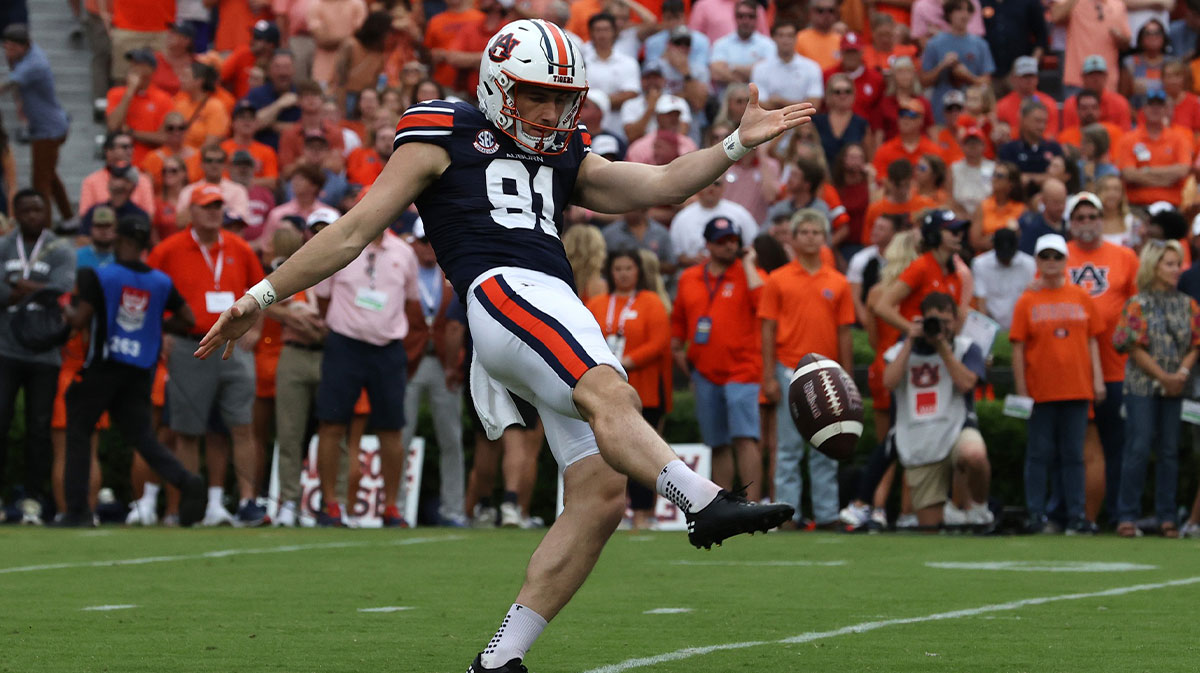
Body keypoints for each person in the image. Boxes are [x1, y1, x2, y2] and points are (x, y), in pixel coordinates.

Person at [198, 19, 805, 670]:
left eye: (560, 98)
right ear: (495, 85)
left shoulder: (563, 150)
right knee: (610, 391)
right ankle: (705, 501)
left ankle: (499, 658)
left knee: (599, 493)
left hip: (555, 301)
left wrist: (736, 144)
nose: (549, 111)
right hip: (501, 288)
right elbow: (352, 233)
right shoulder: (443, 131)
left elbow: (657, 184)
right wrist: (258, 297)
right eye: (536, 94)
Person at [58, 215, 206, 527]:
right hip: (140, 370)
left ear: (120, 239)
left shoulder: (101, 276)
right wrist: (156, 327)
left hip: (104, 365)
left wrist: (62, 310)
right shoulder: (160, 281)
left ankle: (77, 510)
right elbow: (188, 318)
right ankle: (185, 480)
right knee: (142, 437)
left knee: (79, 431)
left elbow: (80, 319)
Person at [148, 185, 267, 527]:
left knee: (241, 424)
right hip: (190, 344)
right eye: (206, 206)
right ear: (191, 212)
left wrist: (257, 330)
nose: (214, 212)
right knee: (187, 429)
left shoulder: (239, 247)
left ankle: (246, 501)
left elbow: (262, 290)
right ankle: (191, 501)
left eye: (218, 206)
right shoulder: (169, 249)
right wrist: (162, 334)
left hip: (232, 343)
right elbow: (151, 291)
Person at [311, 225, 419, 527]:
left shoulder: (404, 252)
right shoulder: (342, 245)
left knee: (391, 428)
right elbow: (322, 298)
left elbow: (412, 303)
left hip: (387, 348)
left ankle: (391, 507)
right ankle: (330, 503)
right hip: (345, 344)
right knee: (331, 423)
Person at [761, 210, 854, 529]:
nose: (811, 237)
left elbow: (845, 334)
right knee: (787, 449)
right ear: (794, 238)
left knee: (826, 446)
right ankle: (789, 514)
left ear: (825, 237)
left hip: (828, 375)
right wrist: (768, 375)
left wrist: (847, 378)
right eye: (805, 232)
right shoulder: (778, 279)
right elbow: (768, 330)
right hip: (789, 370)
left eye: (817, 232)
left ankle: (827, 515)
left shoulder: (838, 282)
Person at [1010, 233, 1105, 534]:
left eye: (1057, 257)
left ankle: (1076, 515)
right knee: (1039, 454)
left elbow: (1092, 341)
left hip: (1077, 387)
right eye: (1045, 257)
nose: (1051, 263)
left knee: (1073, 455)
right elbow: (1017, 348)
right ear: (1037, 261)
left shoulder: (1081, 296)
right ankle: (1037, 513)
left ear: (1066, 261)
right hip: (1041, 390)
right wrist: (1022, 388)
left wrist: (1098, 380)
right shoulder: (1027, 300)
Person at [673, 217, 768, 502]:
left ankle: (752, 504)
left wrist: (749, 263)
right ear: (709, 244)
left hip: (743, 369)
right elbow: (678, 325)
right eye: (722, 240)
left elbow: (764, 302)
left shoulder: (750, 274)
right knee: (717, 443)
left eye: (733, 240)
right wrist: (684, 361)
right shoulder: (690, 277)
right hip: (704, 372)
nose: (729, 245)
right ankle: (722, 506)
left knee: (745, 438)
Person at [1110, 240, 1198, 538]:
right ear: (1154, 266)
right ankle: (1127, 515)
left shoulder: (1188, 304)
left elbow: (1196, 343)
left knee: (1170, 451)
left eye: (1178, 264)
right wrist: (1164, 376)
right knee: (1138, 447)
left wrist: (1182, 373)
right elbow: (1131, 346)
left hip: (1176, 388)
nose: (1177, 270)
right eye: (1170, 264)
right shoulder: (1137, 303)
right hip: (1142, 387)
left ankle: (1166, 516)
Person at [882, 291, 992, 528]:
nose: (941, 327)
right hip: (920, 436)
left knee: (974, 454)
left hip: (956, 427)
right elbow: (888, 382)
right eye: (934, 321)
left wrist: (943, 347)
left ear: (956, 321)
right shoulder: (905, 348)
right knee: (930, 527)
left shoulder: (965, 347)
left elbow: (966, 384)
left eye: (946, 321)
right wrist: (910, 340)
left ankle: (980, 508)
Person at [1062, 191, 1138, 528]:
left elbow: (1139, 309)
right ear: (1070, 223)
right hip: (1072, 370)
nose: (1088, 223)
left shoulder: (1125, 257)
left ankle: (1120, 514)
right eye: (1080, 218)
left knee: (1118, 444)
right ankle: (1072, 513)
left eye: (1093, 216)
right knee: (1071, 448)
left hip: (1117, 367)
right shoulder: (1056, 255)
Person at [0, 190, 76, 524]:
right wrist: (37, 287)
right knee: (1, 424)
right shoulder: (4, 246)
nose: (34, 214)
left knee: (39, 429)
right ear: (15, 214)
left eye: (39, 209)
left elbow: (61, 290)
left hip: (45, 352)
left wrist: (16, 283)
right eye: (27, 210)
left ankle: (32, 498)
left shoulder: (60, 248)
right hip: (5, 348)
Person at [586, 249, 672, 530]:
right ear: (610, 273)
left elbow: (659, 342)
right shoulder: (597, 303)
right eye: (618, 268)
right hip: (605, 391)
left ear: (638, 272)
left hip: (644, 389)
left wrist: (625, 362)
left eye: (628, 268)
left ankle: (645, 513)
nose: (623, 273)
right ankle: (614, 510)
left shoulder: (651, 302)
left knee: (644, 453)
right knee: (607, 452)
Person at [401, 220, 469, 527]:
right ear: (413, 243)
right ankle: (397, 508)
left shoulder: (451, 271)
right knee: (400, 435)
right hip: (409, 361)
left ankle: (453, 508)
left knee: (451, 439)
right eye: (422, 241)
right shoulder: (402, 270)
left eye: (431, 240)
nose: (428, 247)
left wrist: (457, 360)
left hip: (445, 363)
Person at [0, 25, 73, 221]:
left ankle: (43, 226)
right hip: (47, 125)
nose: (8, 53)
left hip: (48, 129)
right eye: (5, 48)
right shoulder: (27, 56)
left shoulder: (33, 64)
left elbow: (7, 86)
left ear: (24, 46)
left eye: (11, 48)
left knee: (40, 182)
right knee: (50, 175)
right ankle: (68, 217)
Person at [1114, 89, 1193, 208]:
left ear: (1166, 110)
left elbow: (1182, 170)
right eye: (1151, 105)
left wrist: (1146, 171)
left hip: (1171, 205)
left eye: (1160, 105)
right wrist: (1167, 180)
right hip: (1138, 205)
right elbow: (1128, 174)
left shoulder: (1178, 138)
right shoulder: (1129, 139)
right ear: (1144, 109)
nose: (1155, 109)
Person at [920, 0, 995, 125]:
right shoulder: (934, 44)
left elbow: (986, 82)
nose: (964, 14)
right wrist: (941, 66)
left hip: (972, 113)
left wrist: (968, 76)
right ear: (949, 14)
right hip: (942, 111)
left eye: (968, 10)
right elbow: (924, 81)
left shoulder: (980, 44)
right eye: (959, 10)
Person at [670, 177, 757, 268]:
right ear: (698, 187)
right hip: (695, 273)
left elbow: (752, 246)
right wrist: (689, 260)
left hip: (732, 271)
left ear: (724, 187)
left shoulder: (740, 213)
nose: (711, 188)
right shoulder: (682, 218)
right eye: (706, 183)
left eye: (716, 184)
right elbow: (675, 255)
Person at [750, 22, 824, 110]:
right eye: (781, 35)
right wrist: (799, 104)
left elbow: (814, 104)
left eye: (790, 36)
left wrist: (780, 101)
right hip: (770, 120)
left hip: (802, 120)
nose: (785, 40)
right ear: (773, 38)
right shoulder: (760, 68)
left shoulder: (812, 67)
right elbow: (759, 104)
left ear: (796, 38)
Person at [971, 228, 1035, 329]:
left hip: (1022, 325)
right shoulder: (980, 264)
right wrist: (985, 329)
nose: (1006, 260)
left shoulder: (1029, 264)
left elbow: (1032, 299)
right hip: (993, 325)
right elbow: (981, 301)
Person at [709, 0, 774, 91]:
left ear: (757, 19)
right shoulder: (721, 43)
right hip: (725, 101)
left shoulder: (768, 44)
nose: (745, 21)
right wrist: (750, 73)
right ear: (735, 18)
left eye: (750, 16)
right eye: (741, 16)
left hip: (759, 101)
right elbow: (716, 72)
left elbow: (769, 72)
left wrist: (731, 68)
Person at [997, 100, 1063, 186]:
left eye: (1044, 122)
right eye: (1037, 121)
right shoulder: (1009, 149)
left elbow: (1061, 177)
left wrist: (1029, 178)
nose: (1042, 126)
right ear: (1023, 120)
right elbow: (1009, 179)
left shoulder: (1054, 148)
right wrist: (1044, 177)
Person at [996, 57, 1059, 140]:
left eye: (1032, 76)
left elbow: (1051, 135)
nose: (1029, 80)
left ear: (1037, 78)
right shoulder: (1002, 105)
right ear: (1014, 79)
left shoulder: (1049, 103)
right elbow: (999, 135)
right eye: (1024, 76)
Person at [970, 160, 1024, 251]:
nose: (994, 178)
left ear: (1011, 184)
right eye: (994, 174)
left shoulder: (1021, 209)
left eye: (1000, 176)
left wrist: (992, 239)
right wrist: (1004, 238)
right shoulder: (983, 206)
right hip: (985, 257)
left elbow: (1022, 239)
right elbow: (975, 242)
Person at [950, 126, 993, 217]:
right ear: (962, 146)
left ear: (984, 146)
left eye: (976, 143)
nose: (972, 146)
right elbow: (949, 198)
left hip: (987, 214)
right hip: (960, 215)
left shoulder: (993, 168)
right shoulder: (953, 168)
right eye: (968, 143)